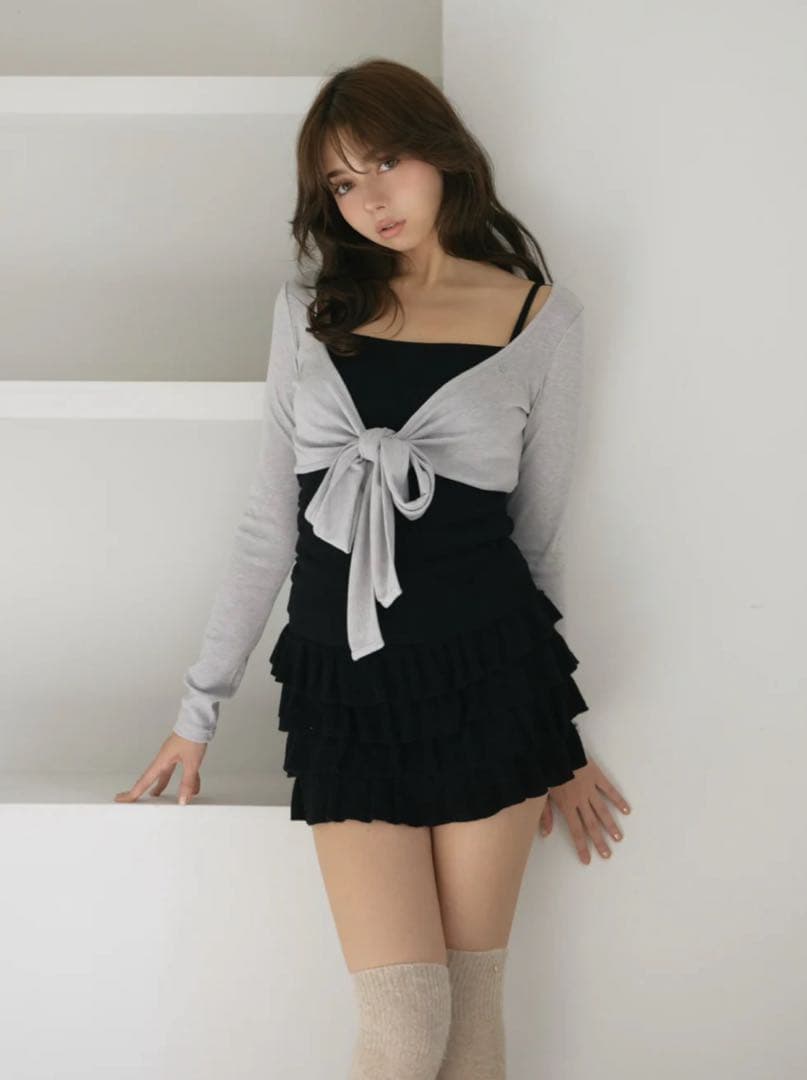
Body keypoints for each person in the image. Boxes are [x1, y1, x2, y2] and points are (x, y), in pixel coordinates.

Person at [115, 58, 631, 1080]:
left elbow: (535, 542)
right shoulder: (307, 312)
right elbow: (269, 526)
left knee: (471, 1021)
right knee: (404, 1025)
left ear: (442, 152)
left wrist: (555, 731)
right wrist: (196, 712)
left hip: (494, 682)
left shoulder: (543, 320)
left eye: (386, 162)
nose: (371, 199)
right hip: (342, 690)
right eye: (342, 183)